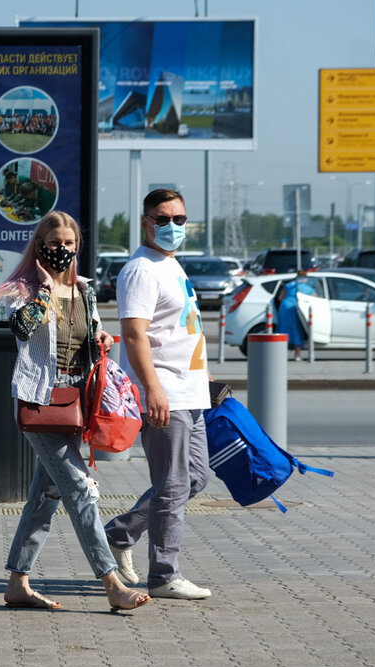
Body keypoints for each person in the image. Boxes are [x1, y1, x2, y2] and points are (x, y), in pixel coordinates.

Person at [0, 211, 150, 613]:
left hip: (76, 404)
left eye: (69, 243)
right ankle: (112, 583)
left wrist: (100, 337)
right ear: (39, 245)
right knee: (80, 490)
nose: (62, 249)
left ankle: (17, 584)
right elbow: (24, 329)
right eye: (54, 243)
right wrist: (45, 288)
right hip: (40, 401)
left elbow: (88, 334)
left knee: (45, 499)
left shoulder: (85, 290)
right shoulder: (21, 289)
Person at [104, 188, 214, 601]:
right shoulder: (141, 270)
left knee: (195, 478)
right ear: (145, 221)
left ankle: (118, 533)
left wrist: (207, 379)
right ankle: (164, 575)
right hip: (165, 392)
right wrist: (152, 390)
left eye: (180, 220)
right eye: (163, 219)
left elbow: (184, 328)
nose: (172, 227)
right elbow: (134, 334)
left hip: (191, 392)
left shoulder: (171, 265)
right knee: (171, 485)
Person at [274, 268, 318, 360]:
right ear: (305, 278)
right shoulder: (307, 288)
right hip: (297, 309)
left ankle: (280, 355)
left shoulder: (289, 285)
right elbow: (316, 299)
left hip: (285, 308)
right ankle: (297, 355)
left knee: (283, 330)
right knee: (297, 331)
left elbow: (280, 298)